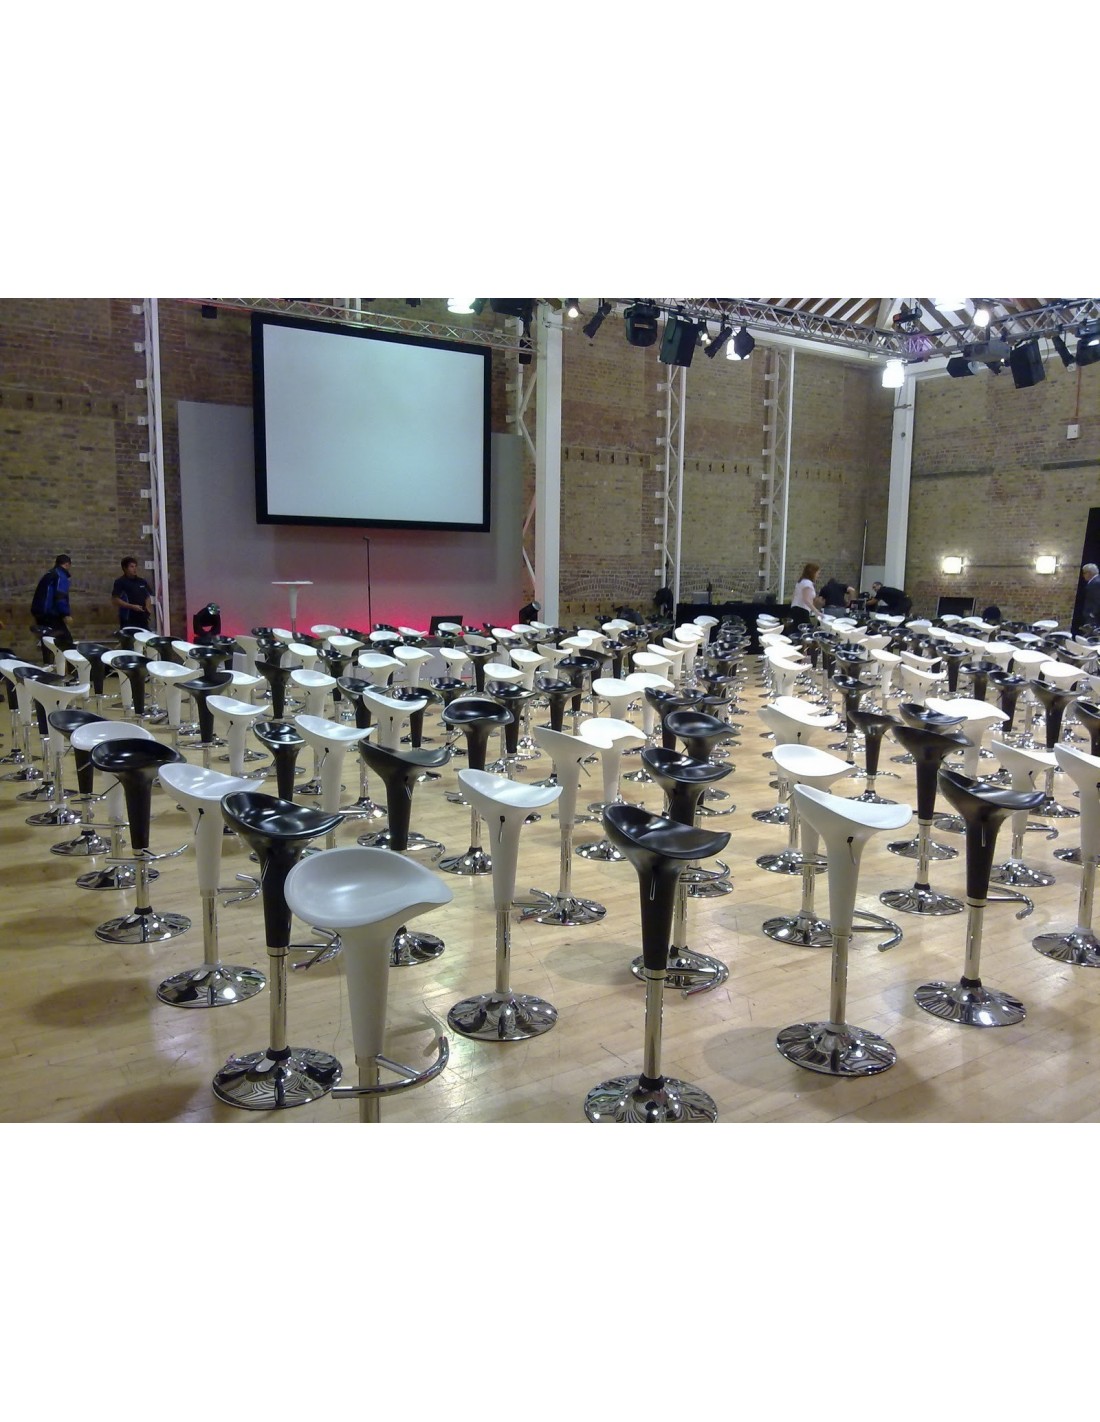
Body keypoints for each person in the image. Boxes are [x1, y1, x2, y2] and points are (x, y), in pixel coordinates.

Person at [31, 553, 75, 649]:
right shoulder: (60, 575)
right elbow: (60, 596)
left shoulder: (49, 574)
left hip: (39, 613)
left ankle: (47, 654)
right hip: (50, 614)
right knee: (66, 642)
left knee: (49, 642)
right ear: (67, 564)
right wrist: (65, 614)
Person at [111, 557, 154, 630]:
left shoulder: (142, 581)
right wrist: (132, 606)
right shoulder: (120, 582)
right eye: (132, 567)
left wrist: (148, 607)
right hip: (128, 618)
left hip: (142, 618)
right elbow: (115, 600)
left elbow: (148, 596)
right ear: (125, 568)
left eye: (135, 566)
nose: (135, 569)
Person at [789, 562, 822, 628]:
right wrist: (816, 611)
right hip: (802, 611)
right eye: (817, 573)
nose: (818, 575)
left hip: (795, 609)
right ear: (812, 573)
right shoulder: (807, 583)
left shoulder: (800, 582)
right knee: (806, 630)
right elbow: (806, 599)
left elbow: (794, 596)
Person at [1079, 563, 1100, 631]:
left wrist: (1092, 613)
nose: (1083, 575)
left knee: (1090, 634)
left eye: (1084, 573)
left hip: (1093, 617)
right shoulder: (1096, 581)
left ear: (1089, 573)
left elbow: (1098, 600)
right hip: (1091, 615)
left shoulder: (1096, 582)